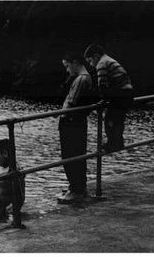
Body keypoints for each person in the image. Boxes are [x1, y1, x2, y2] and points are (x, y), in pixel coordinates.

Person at [57, 52, 96, 204]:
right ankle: (78, 187)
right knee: (78, 155)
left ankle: (76, 189)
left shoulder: (81, 79)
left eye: (67, 66)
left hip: (71, 123)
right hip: (78, 122)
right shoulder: (86, 78)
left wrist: (59, 114)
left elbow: (71, 102)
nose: (67, 70)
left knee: (69, 156)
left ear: (74, 63)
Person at [84, 43, 134, 152]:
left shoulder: (102, 64)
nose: (91, 65)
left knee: (109, 120)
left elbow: (102, 84)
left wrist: (103, 100)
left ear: (96, 56)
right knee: (118, 120)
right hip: (127, 93)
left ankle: (112, 144)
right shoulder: (109, 60)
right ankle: (118, 142)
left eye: (90, 61)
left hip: (120, 94)